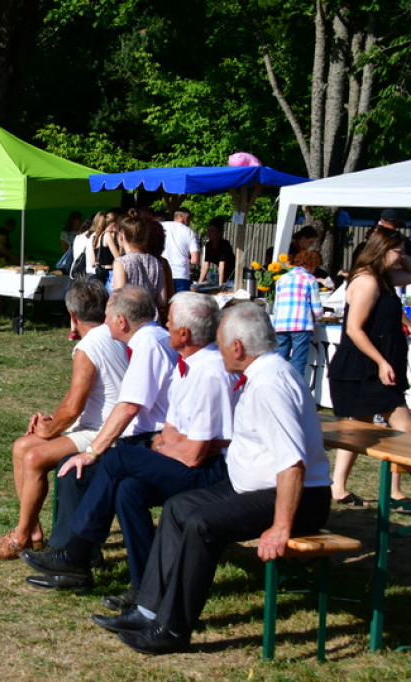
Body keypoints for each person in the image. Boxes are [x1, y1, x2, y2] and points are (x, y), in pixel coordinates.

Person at [94, 302, 331, 655]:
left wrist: (281, 527)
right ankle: (148, 609)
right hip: (258, 486)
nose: (216, 349)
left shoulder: (271, 383)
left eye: (219, 343)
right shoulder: (263, 374)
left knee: (203, 524)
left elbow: (292, 463)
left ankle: (172, 629)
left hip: (297, 497)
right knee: (177, 508)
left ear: (237, 347)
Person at [20, 293, 236, 606]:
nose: (165, 325)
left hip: (206, 467)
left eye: (170, 322)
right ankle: (144, 586)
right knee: (126, 489)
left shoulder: (197, 365)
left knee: (110, 460)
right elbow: (173, 428)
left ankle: (76, 554)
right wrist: (163, 444)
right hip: (173, 447)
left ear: (185, 334)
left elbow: (187, 448)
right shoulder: (186, 361)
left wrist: (97, 450)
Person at [0, 280, 127, 561]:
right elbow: (78, 399)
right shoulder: (112, 336)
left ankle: (21, 538)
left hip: (106, 431)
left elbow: (73, 408)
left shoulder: (88, 347)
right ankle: (31, 531)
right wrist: (50, 422)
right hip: (104, 423)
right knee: (21, 446)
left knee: (34, 456)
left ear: (72, 315)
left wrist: (49, 429)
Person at [328, 227, 411, 508]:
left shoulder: (384, 277)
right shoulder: (367, 281)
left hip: (376, 367)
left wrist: (402, 258)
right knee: (405, 428)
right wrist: (381, 362)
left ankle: (339, 487)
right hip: (363, 369)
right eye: (398, 251)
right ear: (381, 250)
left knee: (359, 427)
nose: (402, 257)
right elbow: (354, 329)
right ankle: (393, 491)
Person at [273, 251, 323, 379]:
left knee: (278, 361)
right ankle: (296, 391)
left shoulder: (282, 279)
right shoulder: (310, 279)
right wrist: (320, 316)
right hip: (301, 324)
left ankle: (278, 386)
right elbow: (317, 309)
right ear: (311, 265)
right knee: (298, 363)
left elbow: (276, 306)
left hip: (281, 324)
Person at [111, 209, 168, 312]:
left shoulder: (122, 263)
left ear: (121, 236)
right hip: (151, 319)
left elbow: (119, 298)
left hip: (129, 321)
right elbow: (162, 301)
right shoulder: (156, 262)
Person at [160, 208, 199, 293]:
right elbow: (195, 259)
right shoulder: (189, 232)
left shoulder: (161, 226)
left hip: (161, 272)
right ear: (186, 218)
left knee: (163, 304)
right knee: (181, 304)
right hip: (181, 274)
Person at [198, 217, 235, 287]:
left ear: (219, 233)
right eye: (208, 231)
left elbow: (222, 265)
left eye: (212, 231)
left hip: (232, 277)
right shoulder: (208, 245)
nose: (209, 233)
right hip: (221, 276)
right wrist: (199, 283)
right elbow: (206, 265)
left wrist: (220, 286)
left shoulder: (224, 244)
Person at [94, 210, 122, 286]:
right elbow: (118, 257)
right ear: (113, 224)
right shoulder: (107, 236)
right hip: (108, 272)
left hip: (99, 270)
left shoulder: (98, 235)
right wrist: (121, 246)